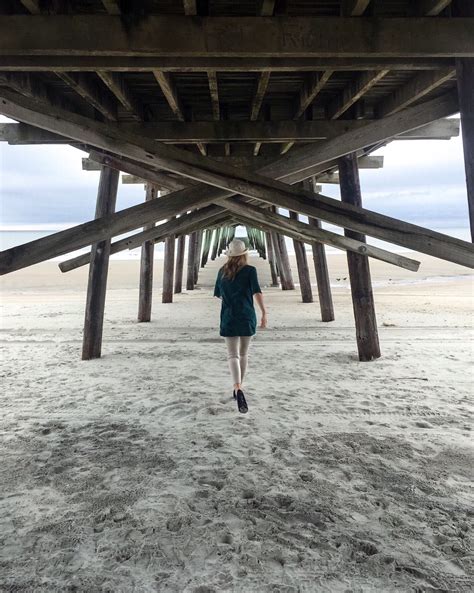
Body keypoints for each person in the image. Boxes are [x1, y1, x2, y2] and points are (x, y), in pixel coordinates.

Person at [214, 239, 267, 414]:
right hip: (246, 316)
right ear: (244, 254)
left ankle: (236, 386)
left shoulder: (222, 271)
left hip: (229, 317)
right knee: (244, 354)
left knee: (232, 355)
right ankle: (239, 388)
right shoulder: (250, 271)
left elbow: (219, 295)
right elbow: (257, 292)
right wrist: (264, 313)